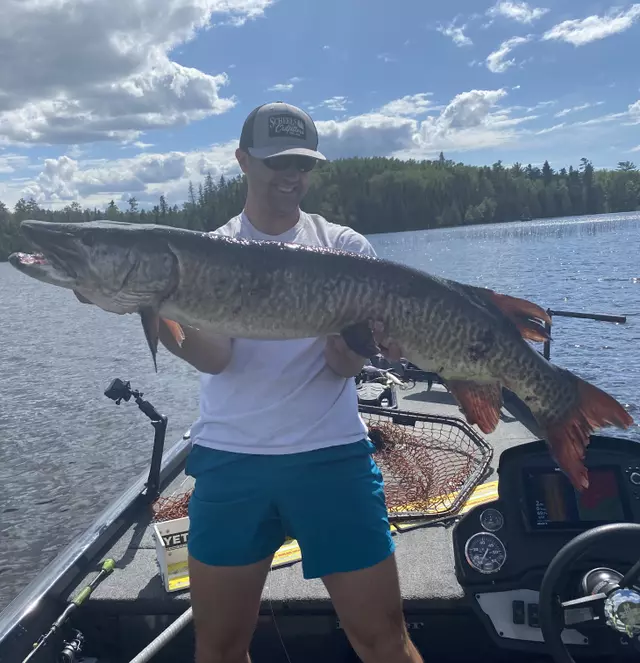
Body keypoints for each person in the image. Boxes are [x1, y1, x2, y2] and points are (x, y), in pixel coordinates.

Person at [161, 102, 423, 663]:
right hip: (232, 462)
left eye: (302, 163)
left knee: (383, 639)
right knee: (221, 646)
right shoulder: (212, 251)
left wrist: (359, 344)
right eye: (277, 161)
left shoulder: (345, 248)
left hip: (331, 459)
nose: (291, 174)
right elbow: (214, 358)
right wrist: (155, 307)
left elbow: (340, 366)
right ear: (242, 161)